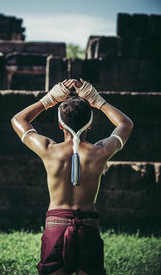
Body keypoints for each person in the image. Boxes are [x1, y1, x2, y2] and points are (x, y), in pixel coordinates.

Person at [11, 79, 133, 275]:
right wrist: (97, 100)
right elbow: (125, 124)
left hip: (55, 227)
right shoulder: (100, 151)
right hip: (88, 227)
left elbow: (18, 120)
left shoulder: (48, 149)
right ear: (91, 124)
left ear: (60, 124)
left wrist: (49, 99)